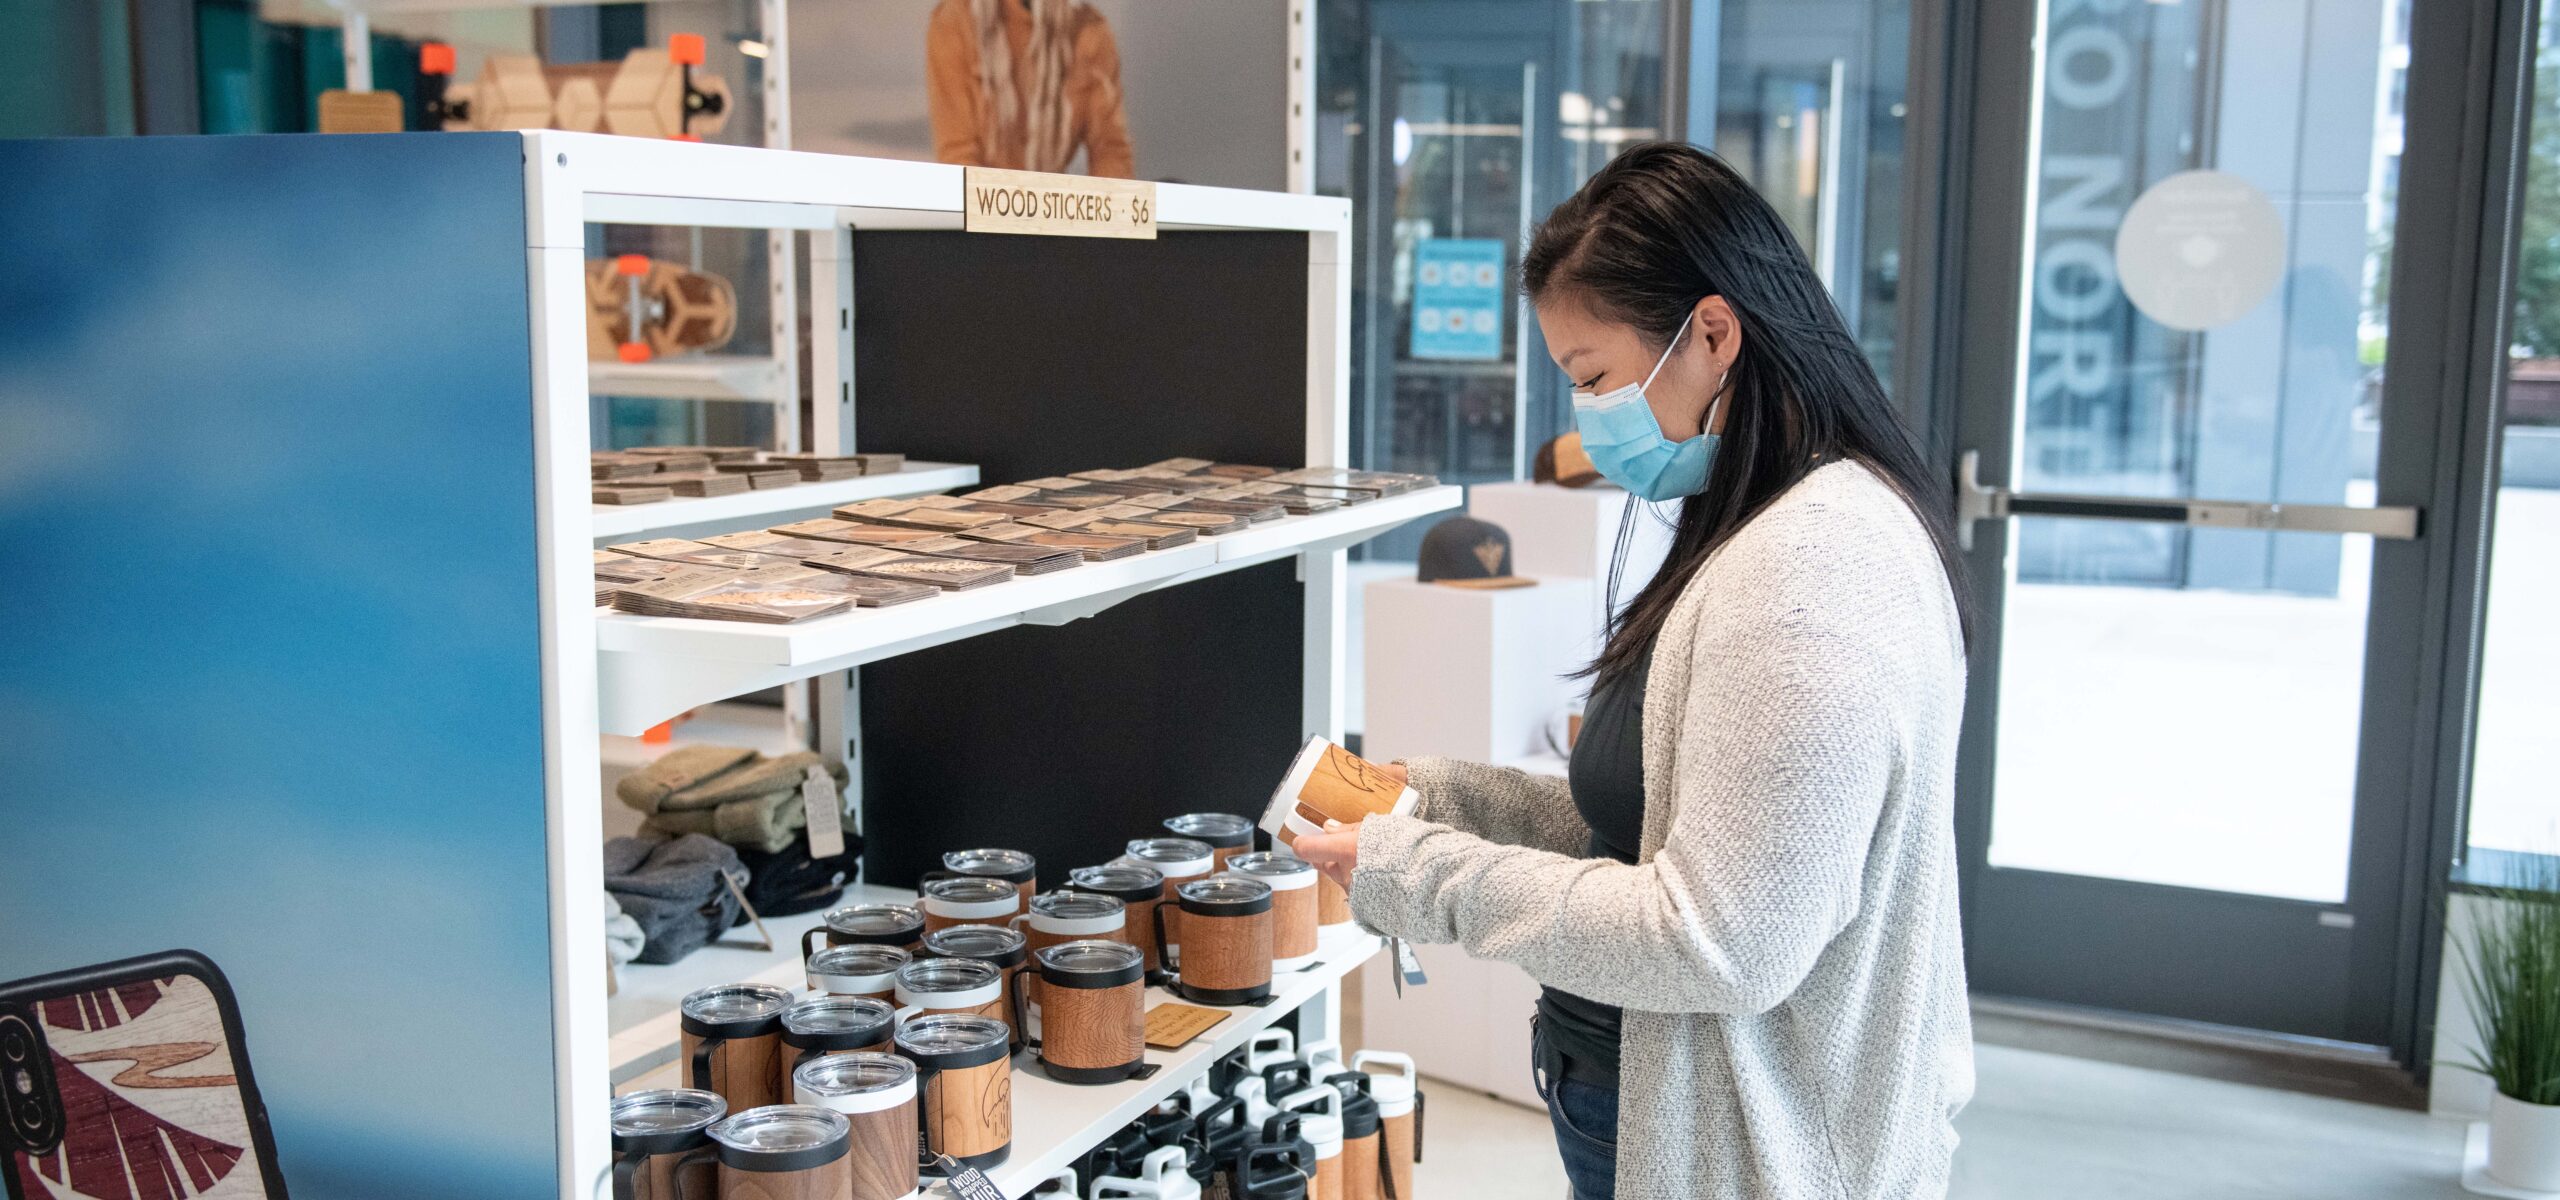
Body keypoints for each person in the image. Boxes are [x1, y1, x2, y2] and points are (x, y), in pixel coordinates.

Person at [1292, 142, 1975, 1200]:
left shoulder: (1808, 574)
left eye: (1594, 378)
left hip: (1741, 1150)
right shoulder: (1770, 527)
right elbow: (1667, 825)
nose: (1586, 423)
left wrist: (1417, 874)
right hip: (1644, 1101)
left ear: (1712, 333)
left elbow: (1717, 937)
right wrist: (1444, 799)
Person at [925, 0, 1135, 177]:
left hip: (1054, 213)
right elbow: (957, 155)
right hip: (985, 213)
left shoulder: (1089, 31)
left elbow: (1110, 150)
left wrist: (1112, 216)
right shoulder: (954, 21)